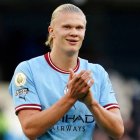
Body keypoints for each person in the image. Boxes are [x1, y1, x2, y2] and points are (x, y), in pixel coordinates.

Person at [8, 3, 124, 140]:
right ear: (51, 31)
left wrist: (92, 104)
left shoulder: (97, 73)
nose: (74, 33)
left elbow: (117, 131)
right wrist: (71, 97)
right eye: (67, 27)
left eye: (79, 28)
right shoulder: (28, 70)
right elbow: (30, 129)